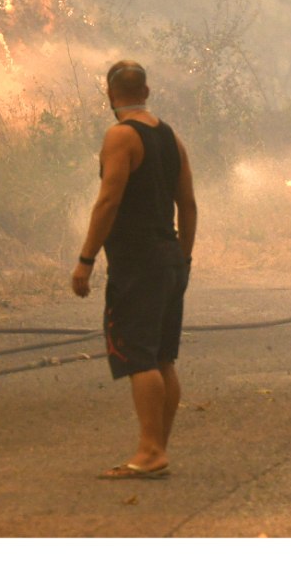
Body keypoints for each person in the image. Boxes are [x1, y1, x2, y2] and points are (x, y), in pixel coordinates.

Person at [71, 60, 197, 480]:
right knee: (163, 358)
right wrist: (185, 257)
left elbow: (108, 202)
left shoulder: (120, 136)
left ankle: (149, 451)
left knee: (140, 357)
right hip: (168, 258)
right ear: (147, 89)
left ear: (111, 95)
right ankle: (156, 448)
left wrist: (85, 261)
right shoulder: (170, 137)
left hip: (138, 264)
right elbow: (189, 204)